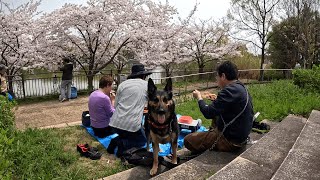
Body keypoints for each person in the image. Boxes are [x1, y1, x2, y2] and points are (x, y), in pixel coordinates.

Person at [184, 61, 254, 154]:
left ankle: (213, 142)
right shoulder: (240, 87)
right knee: (216, 113)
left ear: (223, 76)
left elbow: (207, 113)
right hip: (240, 136)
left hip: (231, 141)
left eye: (217, 76)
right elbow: (232, 106)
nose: (216, 79)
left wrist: (199, 97)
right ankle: (211, 135)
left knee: (188, 140)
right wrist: (217, 100)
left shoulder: (228, 91)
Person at [107, 63, 152, 156]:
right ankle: (121, 143)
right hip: (132, 125)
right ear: (144, 76)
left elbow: (115, 105)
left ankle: (117, 140)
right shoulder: (147, 85)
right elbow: (153, 103)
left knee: (126, 133)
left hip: (114, 124)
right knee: (143, 142)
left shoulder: (122, 84)